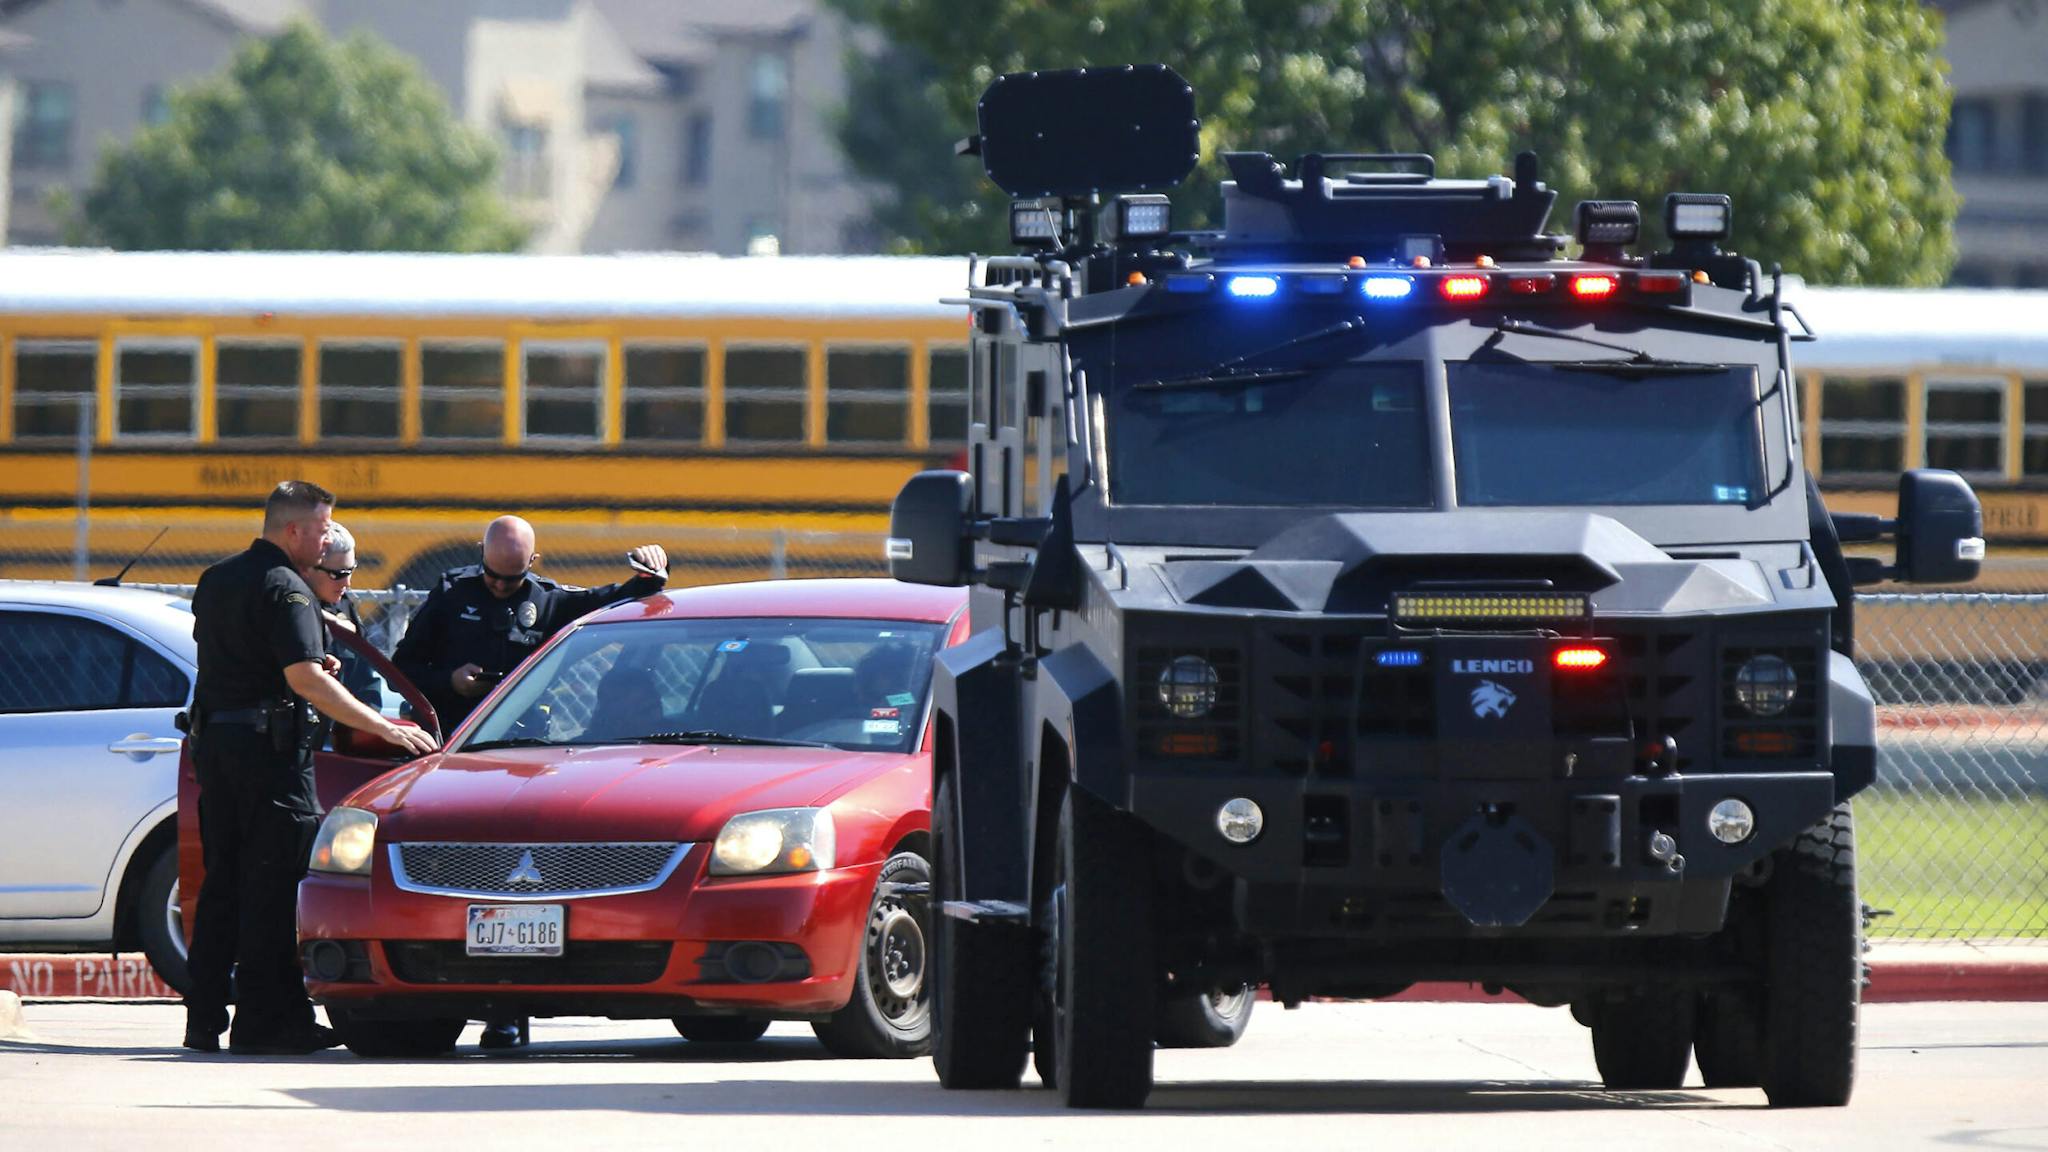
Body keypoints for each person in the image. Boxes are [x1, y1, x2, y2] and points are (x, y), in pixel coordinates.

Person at [391, 514, 668, 1048]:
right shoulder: (450, 595)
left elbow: (610, 601)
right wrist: (447, 681)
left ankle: (506, 1014)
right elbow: (404, 665)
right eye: (493, 577)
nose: (500, 588)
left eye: (511, 579)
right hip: (454, 750)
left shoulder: (544, 599)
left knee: (517, 884)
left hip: (524, 758)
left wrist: (652, 573)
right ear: (480, 557)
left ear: (532, 567)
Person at [184, 481, 439, 1056]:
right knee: (272, 893)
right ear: (294, 530)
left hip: (218, 752)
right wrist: (388, 728)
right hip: (271, 760)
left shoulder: (217, 580)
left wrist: (299, 667)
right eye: (324, 529)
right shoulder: (288, 589)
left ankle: (203, 1019)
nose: (328, 542)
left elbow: (245, 662)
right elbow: (304, 679)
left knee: (223, 885)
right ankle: (267, 1023)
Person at [300, 522, 383, 712]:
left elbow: (366, 681)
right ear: (308, 569)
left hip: (338, 730)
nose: (348, 583)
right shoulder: (286, 607)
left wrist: (369, 728)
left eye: (351, 570)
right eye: (337, 574)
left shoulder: (343, 605)